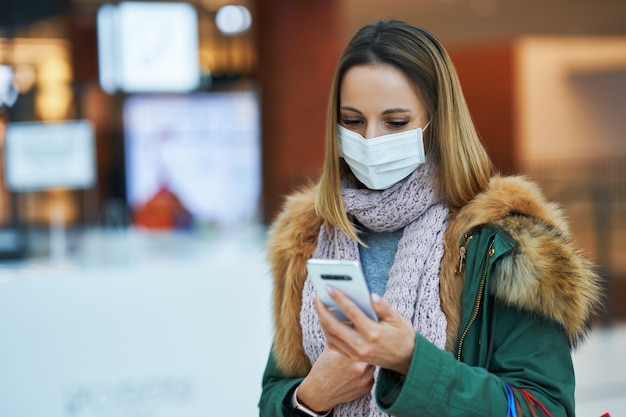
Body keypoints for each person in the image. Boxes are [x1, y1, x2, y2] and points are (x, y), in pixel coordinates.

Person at [258, 20, 602, 417]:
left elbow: (546, 409)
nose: (370, 139)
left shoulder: (503, 242)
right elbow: (275, 391)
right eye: (352, 121)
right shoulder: (308, 237)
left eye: (396, 122)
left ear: (438, 123)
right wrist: (310, 398)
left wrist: (412, 363)